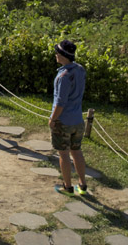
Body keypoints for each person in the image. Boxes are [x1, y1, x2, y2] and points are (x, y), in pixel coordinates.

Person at [49, 39, 89, 196]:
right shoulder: (80, 69)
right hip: (78, 119)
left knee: (63, 154)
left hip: (63, 121)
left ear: (62, 55)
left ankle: (67, 186)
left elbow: (60, 102)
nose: (55, 55)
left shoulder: (63, 76)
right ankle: (82, 184)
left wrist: (53, 119)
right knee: (77, 151)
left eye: (57, 52)